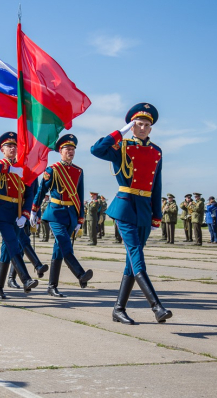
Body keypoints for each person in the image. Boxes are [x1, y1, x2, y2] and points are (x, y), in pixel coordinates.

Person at [91, 102, 172, 324]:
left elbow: (157, 184)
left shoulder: (156, 151)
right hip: (125, 207)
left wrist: (157, 215)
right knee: (136, 254)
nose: (142, 128)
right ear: (132, 126)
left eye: (146, 125)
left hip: (145, 209)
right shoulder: (122, 147)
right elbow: (96, 149)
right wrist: (121, 132)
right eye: (138, 124)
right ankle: (157, 306)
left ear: (151, 128)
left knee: (131, 261)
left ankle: (118, 309)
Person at [31, 134, 93, 297]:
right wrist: (34, 209)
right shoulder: (52, 170)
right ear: (60, 151)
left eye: (73, 149)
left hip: (71, 215)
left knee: (59, 250)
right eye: (67, 149)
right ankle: (80, 274)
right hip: (55, 213)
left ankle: (52, 286)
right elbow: (41, 191)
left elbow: (79, 195)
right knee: (65, 244)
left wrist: (80, 218)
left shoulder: (78, 171)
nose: (70, 152)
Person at [0, 132, 40, 299]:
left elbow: (29, 194)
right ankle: (26, 279)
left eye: (15, 146)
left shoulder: (23, 168)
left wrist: (25, 214)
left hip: (18, 212)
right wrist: (9, 169)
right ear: (2, 150)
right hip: (2, 211)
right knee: (13, 243)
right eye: (9, 146)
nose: (12, 148)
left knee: (7, 251)